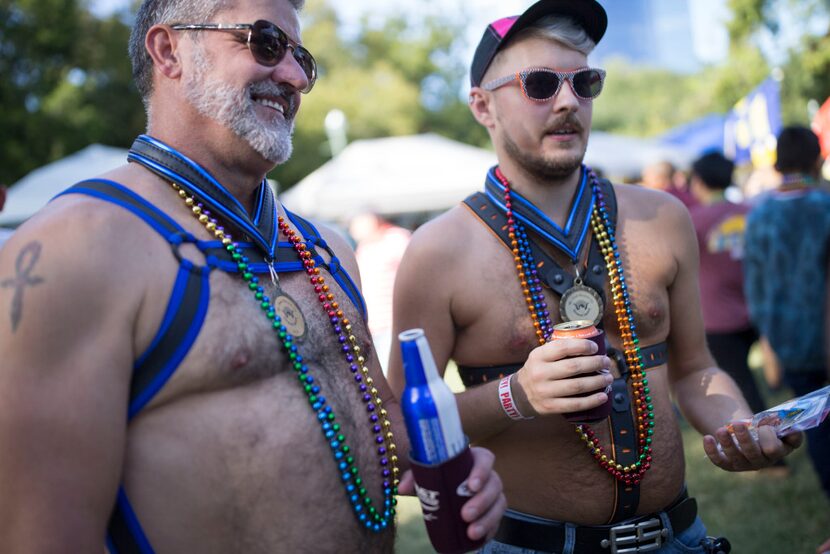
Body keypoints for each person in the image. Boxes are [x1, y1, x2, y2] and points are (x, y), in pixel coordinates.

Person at [0, 0, 506, 551]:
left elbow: (377, 417)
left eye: (301, 58)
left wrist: (449, 461)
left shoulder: (326, 248)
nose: (293, 77)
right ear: (169, 51)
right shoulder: (76, 249)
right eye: (265, 42)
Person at [387, 1, 801, 552]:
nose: (567, 101)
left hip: (679, 537)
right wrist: (515, 395)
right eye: (539, 84)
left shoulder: (662, 218)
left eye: (584, 82)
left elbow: (696, 368)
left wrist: (741, 425)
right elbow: (395, 430)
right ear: (482, 106)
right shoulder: (437, 252)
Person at [743, 125, 830, 501]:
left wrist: (770, 341)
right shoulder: (825, 205)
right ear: (817, 157)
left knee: (817, 424)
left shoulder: (759, 215)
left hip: (790, 340)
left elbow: (756, 288)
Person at [688, 152, 767, 415]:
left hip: (718, 319)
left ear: (698, 181)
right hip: (759, 307)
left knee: (743, 388)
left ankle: (770, 448)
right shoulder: (751, 213)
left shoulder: (693, 221)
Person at [349, 210, 411, 374]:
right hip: (374, 326)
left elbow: (412, 274)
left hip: (394, 323)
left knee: (397, 374)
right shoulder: (364, 247)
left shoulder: (397, 239)